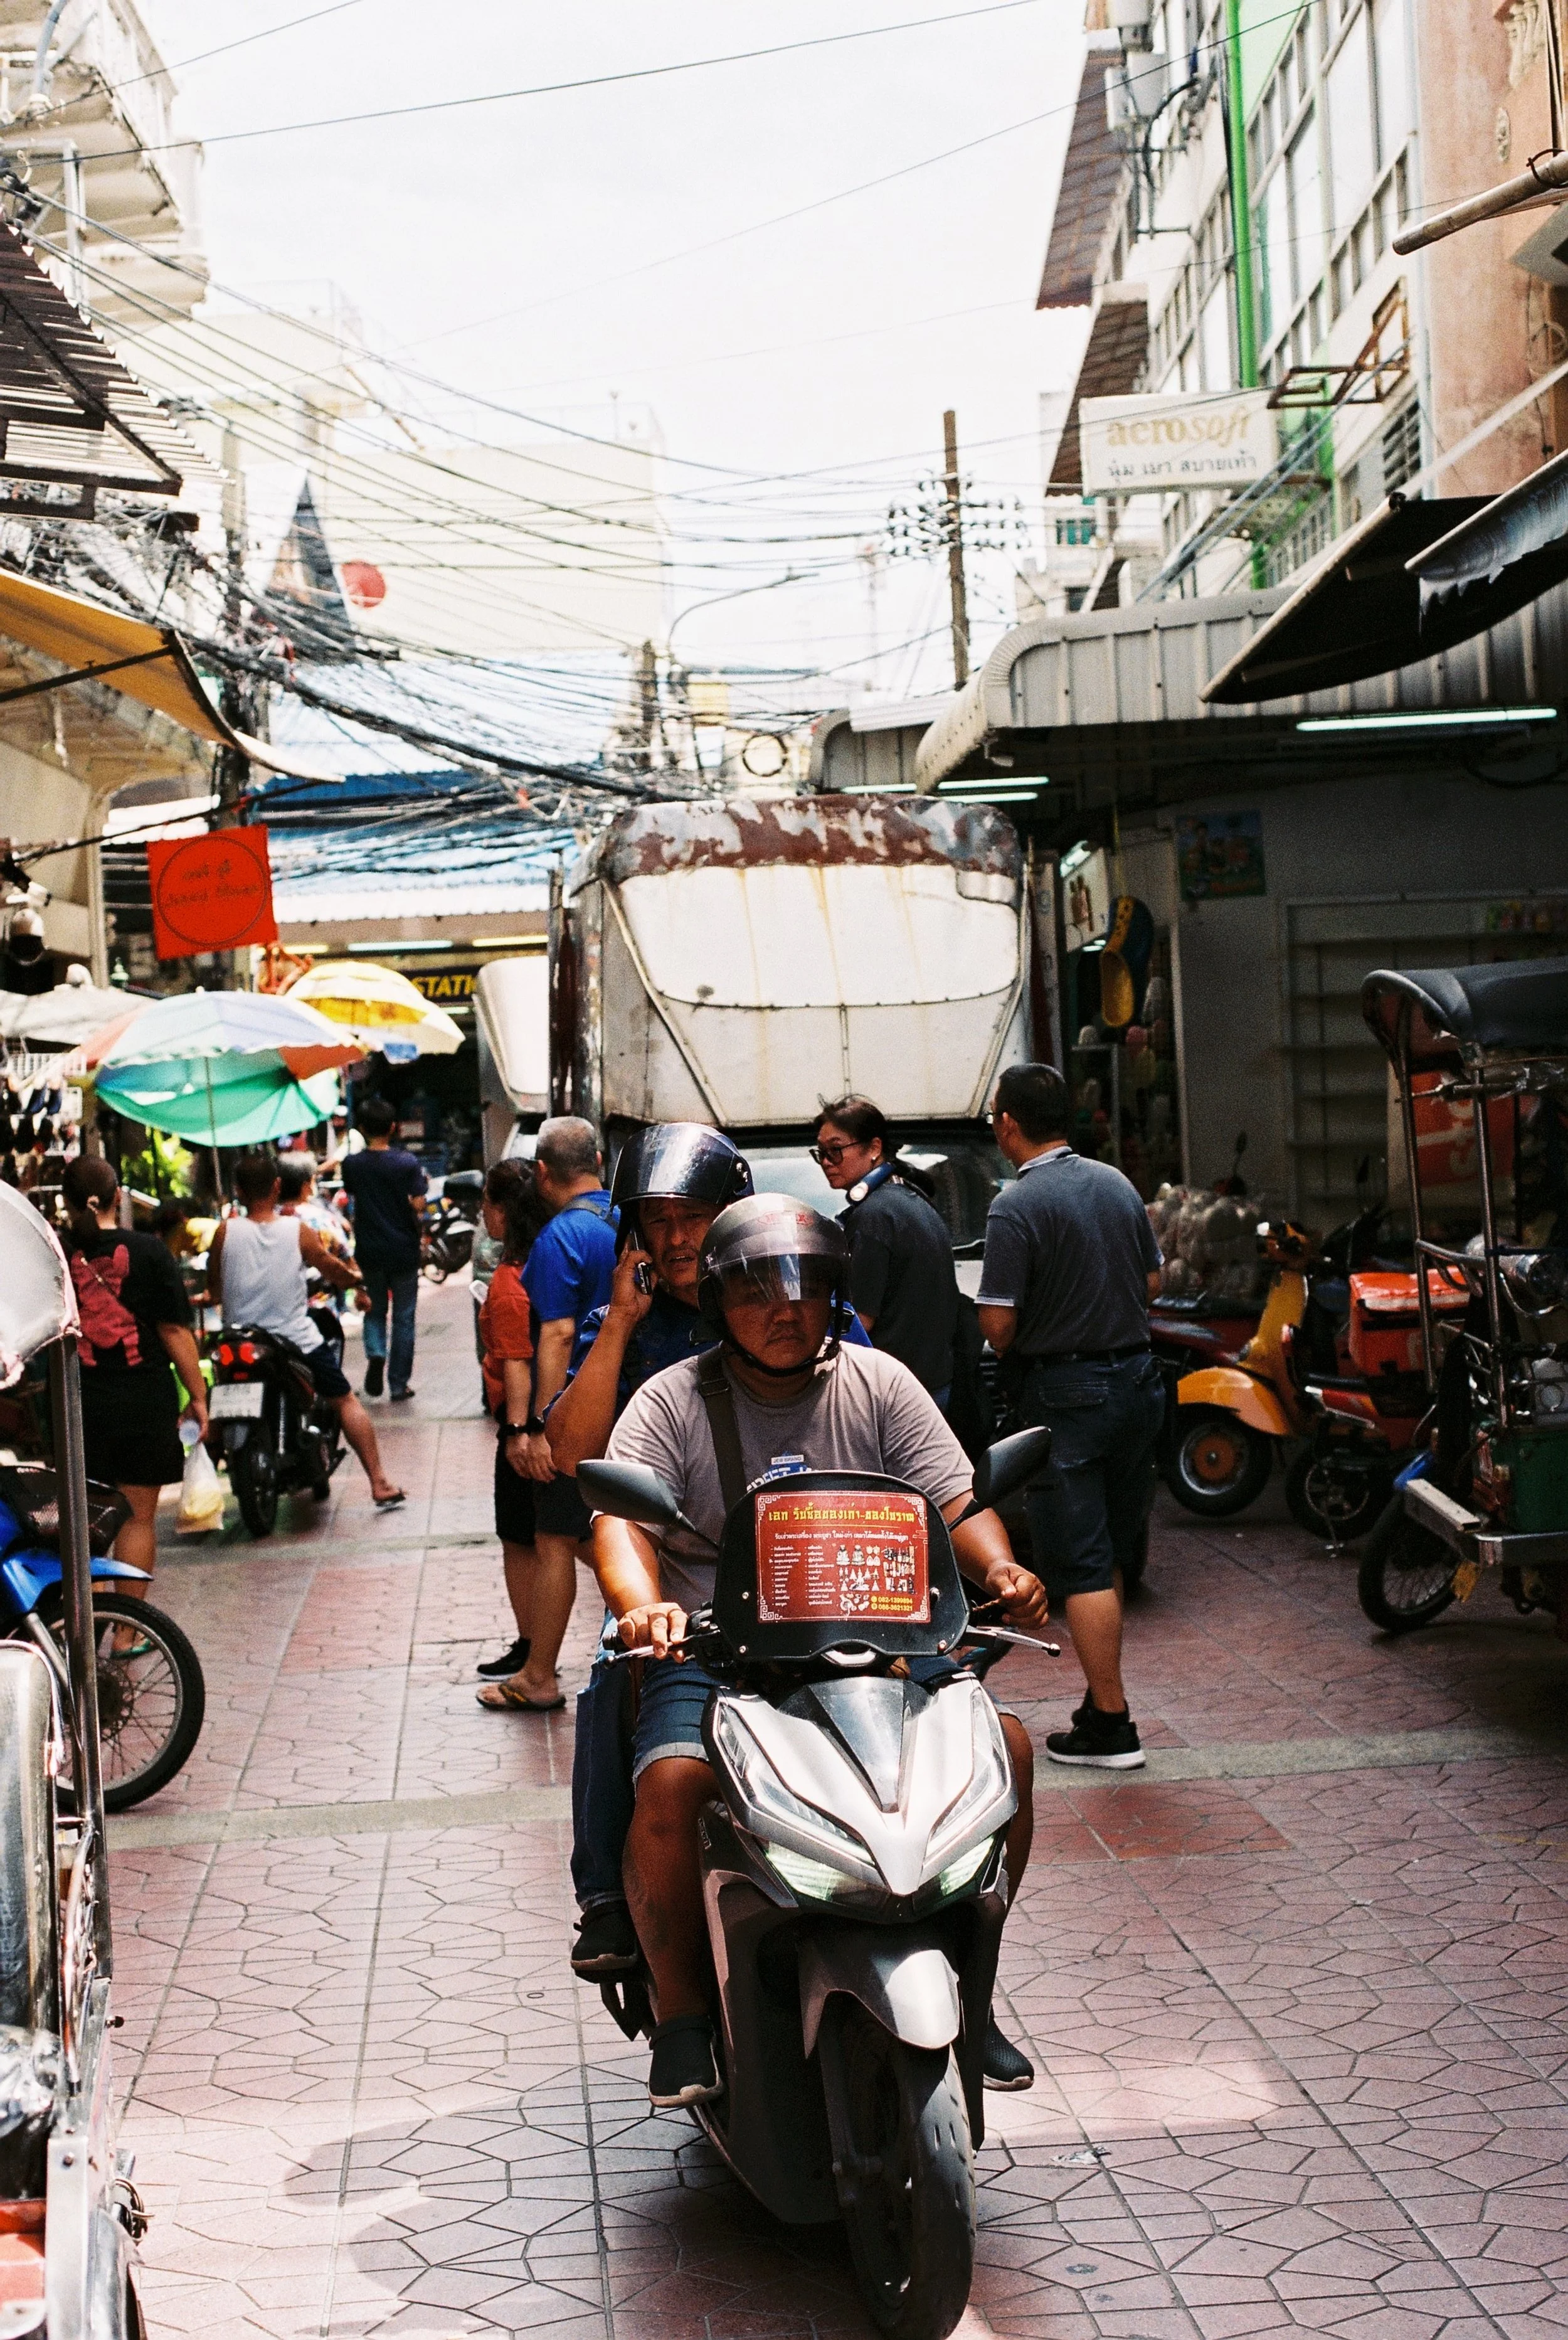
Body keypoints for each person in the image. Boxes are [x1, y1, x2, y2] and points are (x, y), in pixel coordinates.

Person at [595, 1193, 1046, 2110]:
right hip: (717, 1653)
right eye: (759, 1288)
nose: (785, 1307)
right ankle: (682, 2019)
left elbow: (954, 1498)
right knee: (672, 1785)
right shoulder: (672, 1399)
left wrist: (1002, 1567)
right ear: (719, 1301)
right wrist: (644, 1609)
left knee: (1011, 1749)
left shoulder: (880, 1383)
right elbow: (621, 1522)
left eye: (804, 1287)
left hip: (882, 1641)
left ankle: (980, 1988)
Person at [544, 1122, 755, 1972]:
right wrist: (622, 1326)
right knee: (607, 1673)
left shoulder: (804, 1307)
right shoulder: (615, 1323)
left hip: (800, 1577)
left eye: (694, 1216)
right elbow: (569, 1451)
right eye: (656, 1219)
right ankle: (604, 1893)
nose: (675, 1238)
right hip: (665, 1588)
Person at [977, 1061, 1163, 1771]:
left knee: (1080, 1565)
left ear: (1008, 1124)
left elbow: (997, 1325)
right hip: (1137, 1382)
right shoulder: (1115, 1182)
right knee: (1110, 1550)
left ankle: (1112, 1723)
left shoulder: (1015, 1205)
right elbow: (1151, 1281)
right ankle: (1097, 1700)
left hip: (1067, 1394)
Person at [501, 1116, 618, 1711]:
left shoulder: (558, 1238)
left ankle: (539, 1675)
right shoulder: (626, 1220)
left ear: (542, 1173)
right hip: (634, 1404)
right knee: (590, 1531)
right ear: (599, 1158)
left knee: (553, 1536)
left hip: (581, 1413)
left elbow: (558, 1333)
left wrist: (546, 1425)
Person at [209, 1153, 406, 1510]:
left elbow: (215, 1289)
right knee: (345, 1399)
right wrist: (357, 1281)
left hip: (238, 1339)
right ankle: (378, 1481)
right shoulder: (296, 1231)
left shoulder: (225, 1231)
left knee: (210, 1401)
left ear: (238, 1191)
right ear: (276, 1187)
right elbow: (333, 1270)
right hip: (293, 1338)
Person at [60, 1156, 208, 1598]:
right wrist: (198, 1396)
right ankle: (128, 1631)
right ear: (117, 1197)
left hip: (78, 1404)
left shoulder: (55, 1254)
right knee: (138, 1518)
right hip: (144, 1400)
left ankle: (91, 1626)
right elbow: (175, 1331)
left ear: (66, 1202)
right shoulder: (150, 1251)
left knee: (88, 1522)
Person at [474, 1158, 559, 1708]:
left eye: (486, 1204)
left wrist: (518, 1432)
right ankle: (533, 1651)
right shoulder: (546, 1259)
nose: (482, 1215)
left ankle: (537, 1662)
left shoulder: (510, 1281)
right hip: (546, 1419)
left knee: (534, 1539)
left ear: (502, 1211)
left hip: (525, 1424)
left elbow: (517, 1362)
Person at [812, 1094, 960, 1405]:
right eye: (821, 1153)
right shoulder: (909, 1198)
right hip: (929, 1385)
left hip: (895, 1395)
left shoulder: (873, 1217)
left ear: (875, 1148)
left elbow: (857, 1323)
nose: (826, 1162)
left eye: (836, 1151)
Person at [340, 1099, 426, 1401]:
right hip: (403, 1249)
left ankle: (376, 1352)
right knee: (404, 1317)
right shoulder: (407, 1163)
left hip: (370, 1250)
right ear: (393, 1127)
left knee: (375, 1312)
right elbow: (418, 1204)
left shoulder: (352, 1164)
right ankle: (399, 1384)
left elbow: (352, 1195)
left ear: (361, 1129)